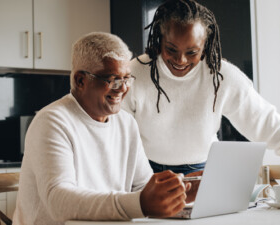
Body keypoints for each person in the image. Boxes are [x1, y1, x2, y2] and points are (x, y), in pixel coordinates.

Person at [122, 0, 280, 175]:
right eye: (171, 49)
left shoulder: (221, 76)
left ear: (205, 47)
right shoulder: (134, 73)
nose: (180, 60)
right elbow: (116, 133)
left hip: (203, 170)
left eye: (192, 52)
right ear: (158, 40)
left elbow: (265, 121)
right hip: (146, 171)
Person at [12, 32, 190, 224]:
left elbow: (143, 187)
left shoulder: (126, 123)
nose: (122, 88)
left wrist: (180, 191)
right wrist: (140, 203)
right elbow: (59, 202)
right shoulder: (52, 121)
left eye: (127, 78)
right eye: (113, 79)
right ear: (81, 80)